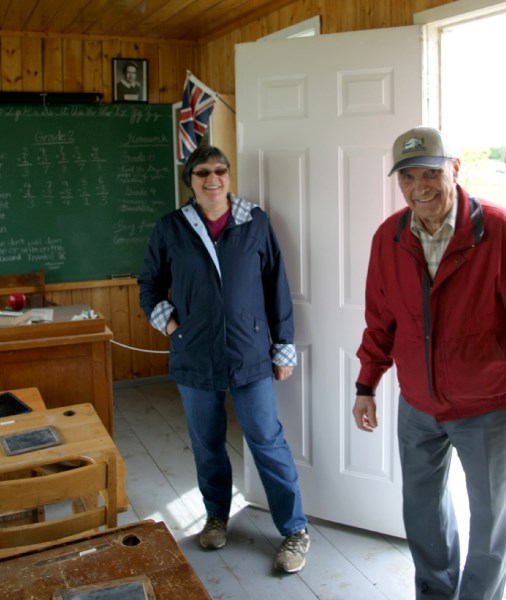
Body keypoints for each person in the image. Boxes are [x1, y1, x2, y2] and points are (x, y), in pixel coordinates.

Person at [138, 144, 310, 573]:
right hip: (195, 358)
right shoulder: (172, 227)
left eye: (220, 171)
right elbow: (149, 285)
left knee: (267, 442)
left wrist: (282, 345)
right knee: (207, 445)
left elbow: (276, 286)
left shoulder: (254, 221)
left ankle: (294, 531)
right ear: (190, 182)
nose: (212, 180)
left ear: (228, 177)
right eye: (202, 174)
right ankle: (216, 516)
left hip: (249, 354)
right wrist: (175, 327)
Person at [352, 125, 506, 600]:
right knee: (422, 511)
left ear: (454, 169)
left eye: (430, 173)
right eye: (407, 177)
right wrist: (366, 385)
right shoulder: (389, 237)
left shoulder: (497, 230)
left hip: (486, 405)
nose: (419, 187)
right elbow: (381, 319)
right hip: (417, 405)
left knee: (492, 520)